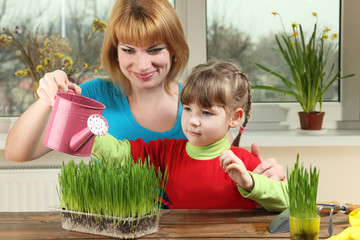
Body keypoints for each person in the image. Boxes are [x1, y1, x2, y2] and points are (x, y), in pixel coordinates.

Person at [5, 0, 286, 181]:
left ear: (174, 49)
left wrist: (264, 178)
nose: (142, 65)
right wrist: (47, 100)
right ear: (115, 52)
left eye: (154, 50)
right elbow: (18, 152)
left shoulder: (198, 104)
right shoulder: (95, 98)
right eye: (129, 50)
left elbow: (223, 175)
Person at [92, 61, 289, 210]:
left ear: (234, 118)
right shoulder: (166, 153)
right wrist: (86, 128)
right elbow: (117, 152)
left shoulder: (242, 163)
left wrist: (250, 182)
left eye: (206, 112)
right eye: (187, 108)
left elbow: (287, 200)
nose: (193, 120)